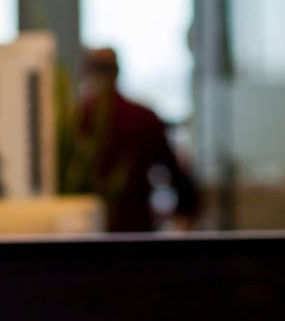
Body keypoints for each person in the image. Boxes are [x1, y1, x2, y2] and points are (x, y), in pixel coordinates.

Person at [75, 47, 199, 232]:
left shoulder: (79, 118)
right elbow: (177, 175)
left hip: (91, 229)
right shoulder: (143, 117)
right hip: (136, 228)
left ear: (89, 71)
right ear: (118, 71)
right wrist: (186, 215)